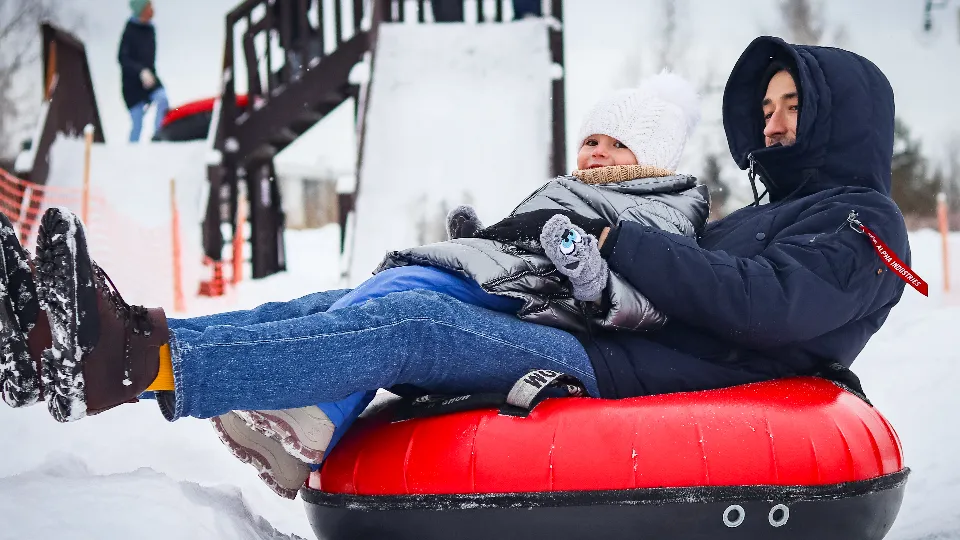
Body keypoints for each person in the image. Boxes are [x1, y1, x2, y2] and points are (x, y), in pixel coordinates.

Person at [2, 35, 909, 499]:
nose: (778, 119)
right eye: (772, 105)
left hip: (631, 368)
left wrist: (615, 246)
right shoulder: (769, 210)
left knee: (411, 326)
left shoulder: (861, 224)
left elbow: (769, 306)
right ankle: (116, 340)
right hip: (605, 334)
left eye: (797, 105)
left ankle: (134, 366)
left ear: (842, 117)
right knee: (344, 296)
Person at [119, 0, 168, 142]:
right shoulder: (130, 30)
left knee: (162, 99)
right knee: (137, 123)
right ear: (141, 10)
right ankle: (130, 155)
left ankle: (158, 137)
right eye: (149, 6)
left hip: (150, 79)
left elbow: (150, 60)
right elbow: (122, 58)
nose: (153, 9)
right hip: (132, 85)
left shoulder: (151, 30)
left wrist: (149, 75)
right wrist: (140, 72)